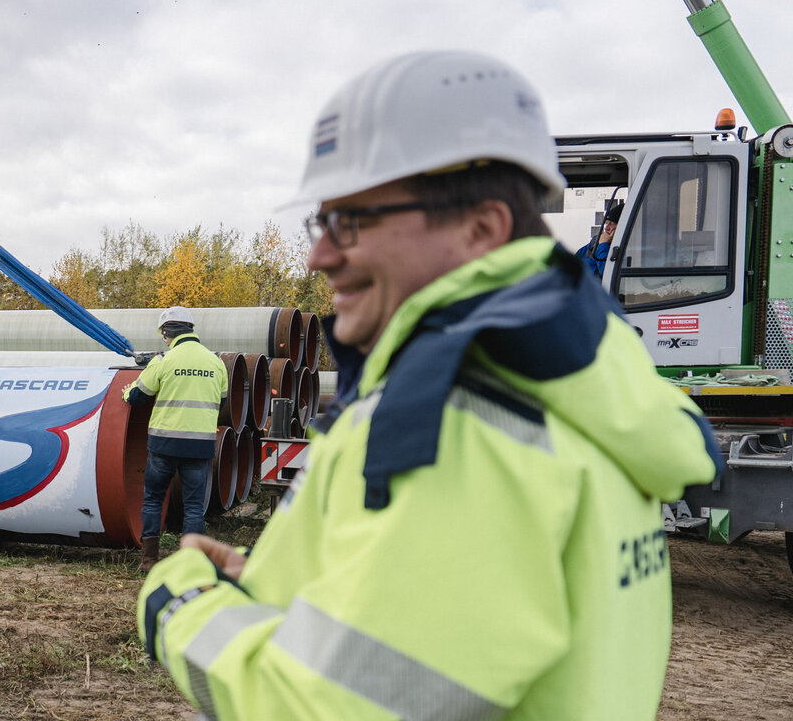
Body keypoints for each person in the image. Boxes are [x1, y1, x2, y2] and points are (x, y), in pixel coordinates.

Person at [136, 51, 720, 719]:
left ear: (480, 228)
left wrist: (181, 606)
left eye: (350, 222)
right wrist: (277, 582)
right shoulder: (587, 389)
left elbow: (328, 710)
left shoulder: (460, 426)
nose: (319, 255)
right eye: (320, 223)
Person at [120, 306, 228, 571]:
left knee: (153, 500)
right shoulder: (216, 362)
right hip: (200, 445)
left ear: (167, 333)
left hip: (164, 444)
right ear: (191, 330)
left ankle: (149, 560)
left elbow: (138, 397)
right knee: (194, 506)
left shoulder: (163, 360)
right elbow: (222, 401)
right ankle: (190, 565)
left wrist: (126, 392)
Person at [575, 203, 620, 278]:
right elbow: (576, 259)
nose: (607, 228)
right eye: (606, 223)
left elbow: (607, 273)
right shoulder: (596, 241)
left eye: (612, 224)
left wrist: (603, 244)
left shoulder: (618, 246)